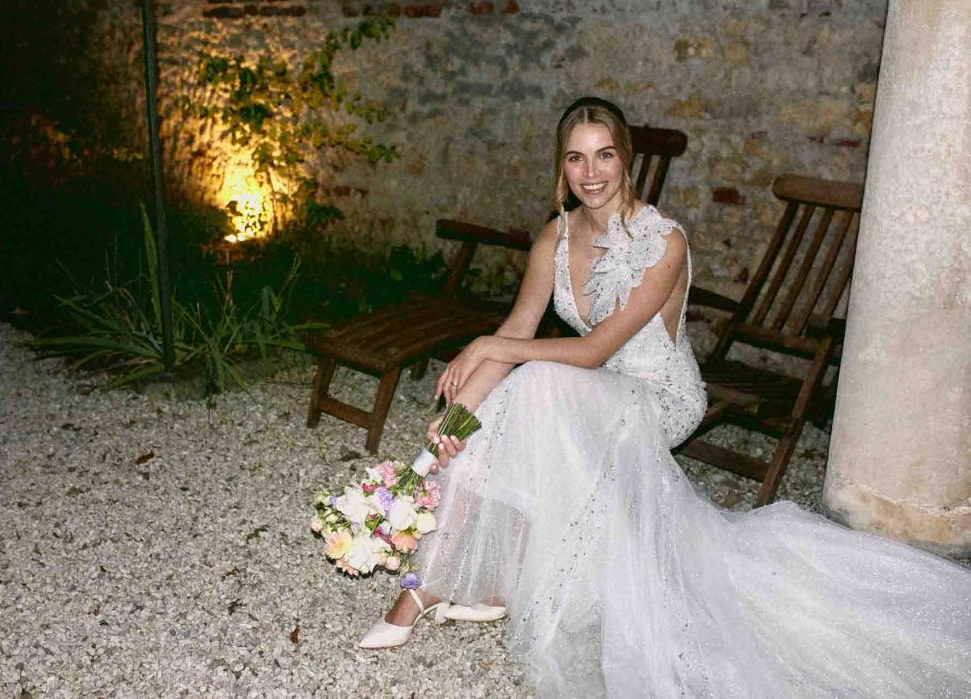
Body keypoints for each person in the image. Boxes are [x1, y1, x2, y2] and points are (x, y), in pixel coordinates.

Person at [357, 97, 971, 697]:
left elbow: (590, 351)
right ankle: (456, 582)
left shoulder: (663, 241)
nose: (591, 174)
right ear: (561, 168)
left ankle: (433, 589)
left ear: (626, 159)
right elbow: (519, 331)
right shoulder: (556, 235)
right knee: (525, 394)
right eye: (575, 159)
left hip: (658, 394)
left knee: (538, 381)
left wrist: (488, 347)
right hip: (587, 390)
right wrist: (457, 424)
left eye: (603, 157)